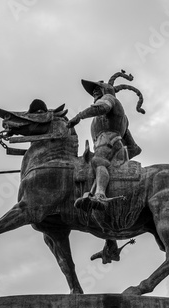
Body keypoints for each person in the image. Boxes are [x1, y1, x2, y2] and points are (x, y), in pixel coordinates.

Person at [67, 72, 144, 211]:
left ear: (107, 91)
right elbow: (134, 148)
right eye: (93, 90)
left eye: (98, 88)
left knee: (98, 161)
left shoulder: (108, 100)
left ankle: (100, 195)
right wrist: (118, 164)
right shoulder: (122, 119)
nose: (95, 92)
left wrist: (78, 117)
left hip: (108, 142)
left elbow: (102, 107)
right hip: (111, 144)